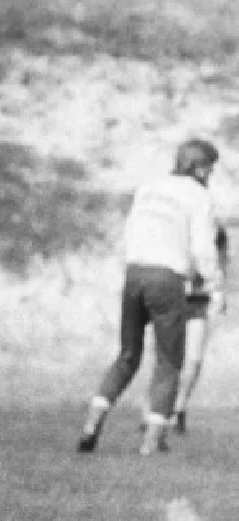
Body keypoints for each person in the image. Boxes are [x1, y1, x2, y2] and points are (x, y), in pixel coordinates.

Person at [77, 139, 221, 455]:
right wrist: (210, 280)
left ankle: (91, 424)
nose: (210, 175)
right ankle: (152, 442)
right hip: (167, 279)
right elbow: (202, 248)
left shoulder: (149, 188)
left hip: (134, 273)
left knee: (127, 355)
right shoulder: (199, 196)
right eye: (210, 168)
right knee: (169, 361)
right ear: (199, 168)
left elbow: (130, 232)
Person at [171, 224, 229, 433]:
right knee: (168, 357)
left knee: (194, 359)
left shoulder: (215, 231)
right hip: (171, 298)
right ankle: (153, 408)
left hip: (198, 303)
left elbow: (220, 265)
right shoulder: (177, 228)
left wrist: (219, 294)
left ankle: (179, 408)